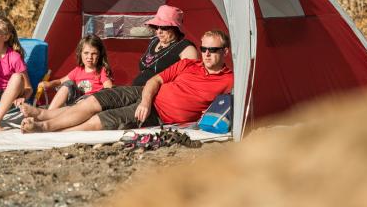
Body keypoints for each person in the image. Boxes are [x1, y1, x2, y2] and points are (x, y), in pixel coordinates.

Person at [19, 30, 233, 133]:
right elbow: (154, 81)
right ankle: (44, 119)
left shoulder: (230, 80)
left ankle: (49, 130)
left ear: (225, 51)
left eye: (212, 50)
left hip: (159, 113)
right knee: (94, 101)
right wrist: (145, 100)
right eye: (203, 48)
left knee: (102, 119)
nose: (205, 54)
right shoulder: (188, 64)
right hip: (144, 94)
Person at [41, 34, 113, 110]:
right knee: (68, 84)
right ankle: (50, 112)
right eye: (86, 53)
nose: (90, 57)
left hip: (91, 104)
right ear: (80, 53)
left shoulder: (102, 70)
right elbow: (60, 81)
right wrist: (49, 84)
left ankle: (66, 113)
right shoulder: (78, 70)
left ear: (100, 55)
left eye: (94, 54)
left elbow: (109, 89)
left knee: (85, 99)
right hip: (75, 103)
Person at [132, 5, 199, 86]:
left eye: (164, 27)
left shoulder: (186, 48)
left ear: (175, 28)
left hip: (157, 95)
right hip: (136, 90)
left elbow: (188, 80)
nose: (159, 32)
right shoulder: (154, 41)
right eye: (156, 27)